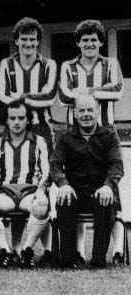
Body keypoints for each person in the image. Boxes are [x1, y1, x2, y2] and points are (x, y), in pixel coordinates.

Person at [58, 19, 125, 265]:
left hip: (105, 131)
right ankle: (78, 253)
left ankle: (116, 253)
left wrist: (84, 92)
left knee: (109, 194)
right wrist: (98, 90)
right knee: (77, 188)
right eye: (84, 40)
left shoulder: (111, 63)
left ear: (100, 42)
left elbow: (117, 91)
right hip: (74, 132)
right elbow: (64, 96)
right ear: (78, 43)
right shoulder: (67, 65)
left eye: (93, 40)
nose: (89, 44)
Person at [0, 16, 57, 264]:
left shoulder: (49, 65)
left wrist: (20, 97)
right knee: (15, 182)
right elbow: (2, 95)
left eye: (33, 39)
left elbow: (50, 97)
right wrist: (31, 98)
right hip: (14, 124)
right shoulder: (6, 64)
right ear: (16, 41)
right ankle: (16, 248)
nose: (28, 43)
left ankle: (50, 250)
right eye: (24, 39)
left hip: (42, 127)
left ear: (38, 42)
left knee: (44, 188)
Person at [51, 95, 123, 268]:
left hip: (101, 191)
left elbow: (117, 166)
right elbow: (55, 165)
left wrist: (108, 186)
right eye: (81, 110)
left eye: (90, 110)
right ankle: (69, 260)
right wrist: (63, 184)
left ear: (97, 112)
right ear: (75, 113)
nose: (86, 114)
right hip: (74, 191)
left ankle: (98, 260)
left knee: (106, 202)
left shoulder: (109, 136)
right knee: (64, 201)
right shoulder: (65, 137)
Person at [0, 100, 51, 268]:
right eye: (12, 118)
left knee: (41, 206)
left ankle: (27, 251)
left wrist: (41, 190)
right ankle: (6, 251)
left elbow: (47, 171)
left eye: (21, 118)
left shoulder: (39, 142)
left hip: (30, 192)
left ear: (28, 119)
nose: (17, 122)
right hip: (6, 194)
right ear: (7, 120)